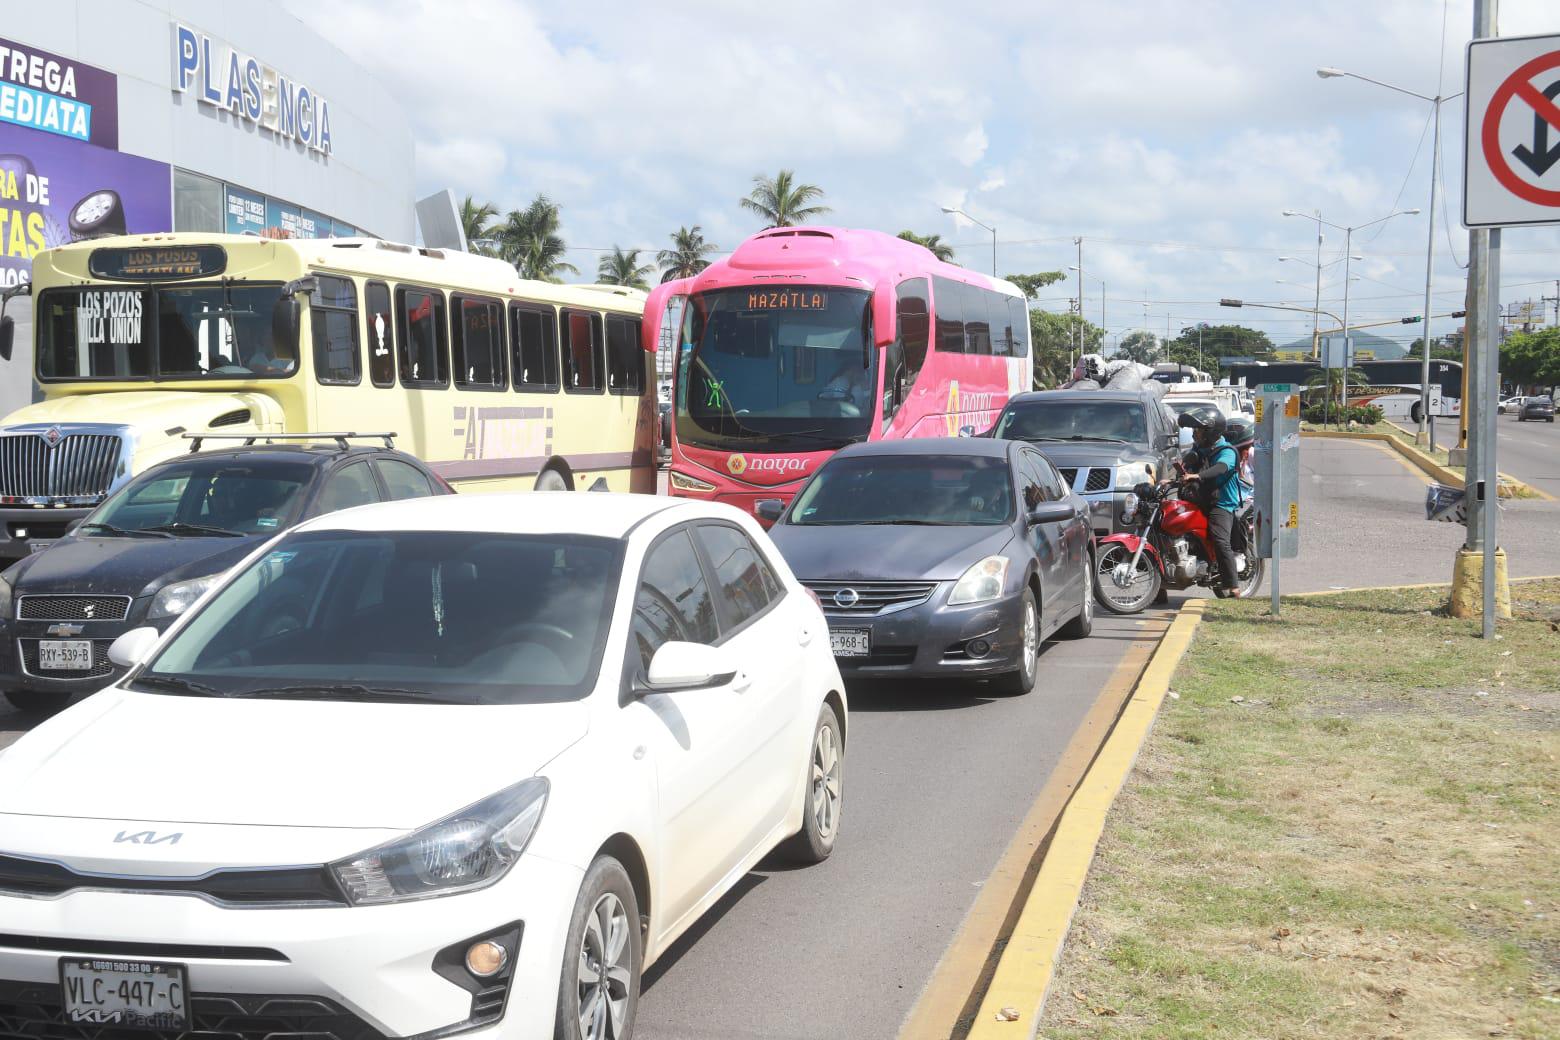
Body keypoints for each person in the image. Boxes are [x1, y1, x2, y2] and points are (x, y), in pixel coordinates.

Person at [1175, 405, 1244, 596]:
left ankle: (1233, 585)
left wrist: (1197, 476)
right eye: (1193, 430)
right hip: (1200, 499)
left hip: (1221, 503)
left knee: (1220, 540)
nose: (1194, 434)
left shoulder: (1226, 451)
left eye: (1197, 430)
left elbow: (1221, 468)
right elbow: (1186, 468)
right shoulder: (1198, 449)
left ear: (1210, 432)